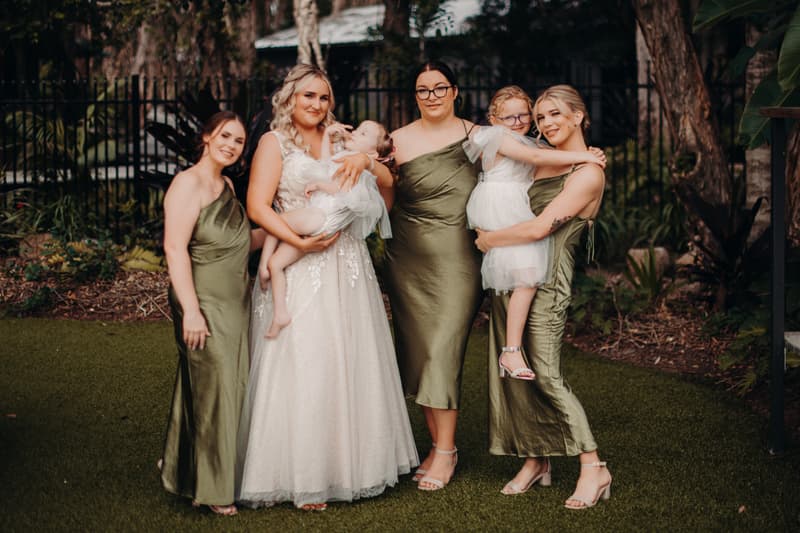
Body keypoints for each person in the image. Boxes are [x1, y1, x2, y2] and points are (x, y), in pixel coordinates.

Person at [236, 64, 418, 511]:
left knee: (348, 357)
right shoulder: (273, 143)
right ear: (289, 100)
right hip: (300, 259)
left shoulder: (343, 140)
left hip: (347, 262)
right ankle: (301, 475)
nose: (317, 105)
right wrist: (299, 241)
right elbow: (257, 206)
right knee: (305, 357)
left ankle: (347, 466)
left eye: (323, 97)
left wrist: (369, 160)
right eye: (308, 97)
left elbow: (389, 193)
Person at [474, 85, 612, 509]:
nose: (547, 123)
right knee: (517, 373)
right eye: (541, 118)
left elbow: (539, 229)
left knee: (547, 373)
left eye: (555, 114)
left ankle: (593, 466)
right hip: (513, 276)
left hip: (547, 283)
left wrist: (489, 240)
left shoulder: (587, 173)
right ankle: (536, 461)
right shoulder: (542, 161)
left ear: (578, 116)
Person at [160, 111, 266, 516]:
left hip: (235, 301)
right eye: (225, 136)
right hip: (201, 300)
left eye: (238, 141)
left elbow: (242, 242)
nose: (231, 145)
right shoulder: (187, 184)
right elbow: (174, 249)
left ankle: (184, 468)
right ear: (207, 136)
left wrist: (290, 221)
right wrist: (191, 311)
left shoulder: (225, 186)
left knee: (220, 386)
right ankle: (216, 489)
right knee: (216, 388)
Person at [385, 60, 483, 492]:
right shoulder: (398, 140)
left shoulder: (476, 136)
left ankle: (446, 452)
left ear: (455, 91)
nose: (432, 96)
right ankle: (438, 445)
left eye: (439, 87)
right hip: (407, 260)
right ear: (415, 95)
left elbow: (523, 165)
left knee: (443, 348)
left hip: (460, 260)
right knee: (421, 352)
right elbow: (385, 200)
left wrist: (579, 157)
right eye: (423, 90)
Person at [463, 85, 605, 380]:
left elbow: (546, 161)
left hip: (526, 238)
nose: (520, 123)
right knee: (523, 285)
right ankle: (511, 352)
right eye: (541, 117)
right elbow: (540, 161)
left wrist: (587, 155)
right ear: (494, 118)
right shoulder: (501, 137)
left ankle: (512, 352)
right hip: (506, 221)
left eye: (525, 117)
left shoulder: (540, 148)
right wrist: (587, 156)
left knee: (543, 368)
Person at [256, 119, 394, 338]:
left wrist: (320, 185)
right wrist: (328, 136)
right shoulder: (344, 160)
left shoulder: (360, 169)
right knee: (277, 263)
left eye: (363, 133)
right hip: (322, 225)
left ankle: (262, 263)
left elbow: (342, 190)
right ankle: (280, 312)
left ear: (373, 154)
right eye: (357, 129)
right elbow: (324, 165)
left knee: (276, 219)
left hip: (320, 217)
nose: (355, 133)